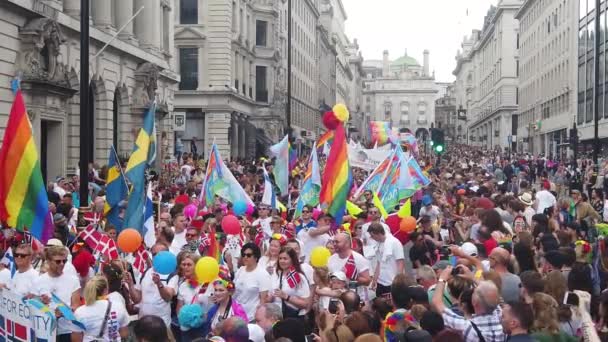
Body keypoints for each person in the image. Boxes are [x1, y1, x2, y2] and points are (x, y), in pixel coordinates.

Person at [432, 266, 504, 342]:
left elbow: (436, 302)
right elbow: (491, 292)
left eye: (475, 292)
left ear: (474, 302)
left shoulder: (468, 327)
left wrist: (442, 278)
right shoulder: (500, 314)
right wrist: (472, 277)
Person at [36, 245, 81, 342]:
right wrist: (46, 307)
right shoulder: (39, 280)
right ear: (48, 261)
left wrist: (64, 311)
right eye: (58, 261)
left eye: (64, 261)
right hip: (46, 330)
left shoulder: (73, 280)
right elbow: (35, 307)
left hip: (67, 331)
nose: (61, 264)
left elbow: (76, 307)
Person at [126, 243, 178, 326]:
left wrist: (159, 283)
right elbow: (137, 299)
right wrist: (130, 284)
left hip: (161, 324)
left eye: (160, 254)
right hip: (143, 322)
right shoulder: (145, 272)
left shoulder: (172, 274)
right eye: (154, 254)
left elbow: (168, 297)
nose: (157, 256)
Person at [72, 276, 130, 341]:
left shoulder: (80, 312)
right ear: (105, 290)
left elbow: (76, 338)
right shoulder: (118, 307)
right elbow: (124, 333)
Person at [233, 242, 271, 321]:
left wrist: (259, 318)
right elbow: (233, 292)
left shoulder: (262, 274)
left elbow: (263, 300)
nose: (245, 257)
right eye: (243, 255)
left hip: (251, 316)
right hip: (235, 314)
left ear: (256, 257)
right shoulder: (240, 270)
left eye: (249, 255)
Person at [269, 247, 311, 319]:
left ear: (292, 260)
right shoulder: (276, 274)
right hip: (277, 316)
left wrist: (286, 297)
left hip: (293, 317)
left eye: (285, 259)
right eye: (280, 258)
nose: (282, 261)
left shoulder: (298, 277)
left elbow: (305, 303)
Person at [327, 233, 371, 299]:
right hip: (336, 298)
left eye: (337, 242)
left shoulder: (358, 258)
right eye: (333, 242)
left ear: (347, 243)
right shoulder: (331, 259)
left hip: (355, 299)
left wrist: (350, 276)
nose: (334, 244)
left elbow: (367, 281)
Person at [367, 222, 405, 297]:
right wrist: (375, 280)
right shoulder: (378, 244)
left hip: (392, 282)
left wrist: (398, 282)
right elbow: (379, 263)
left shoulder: (395, 243)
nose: (372, 238)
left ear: (378, 233)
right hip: (380, 282)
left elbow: (400, 263)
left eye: (372, 235)